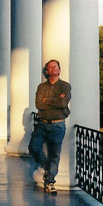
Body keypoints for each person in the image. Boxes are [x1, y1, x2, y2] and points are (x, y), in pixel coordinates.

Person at [28, 59, 71, 195]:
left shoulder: (65, 86)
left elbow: (63, 103)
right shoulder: (42, 87)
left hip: (58, 125)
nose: (52, 69)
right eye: (50, 67)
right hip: (42, 123)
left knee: (54, 154)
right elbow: (39, 105)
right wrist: (55, 101)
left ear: (59, 70)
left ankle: (50, 182)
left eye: (55, 67)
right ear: (47, 71)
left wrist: (48, 101)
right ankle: (48, 167)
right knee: (33, 147)